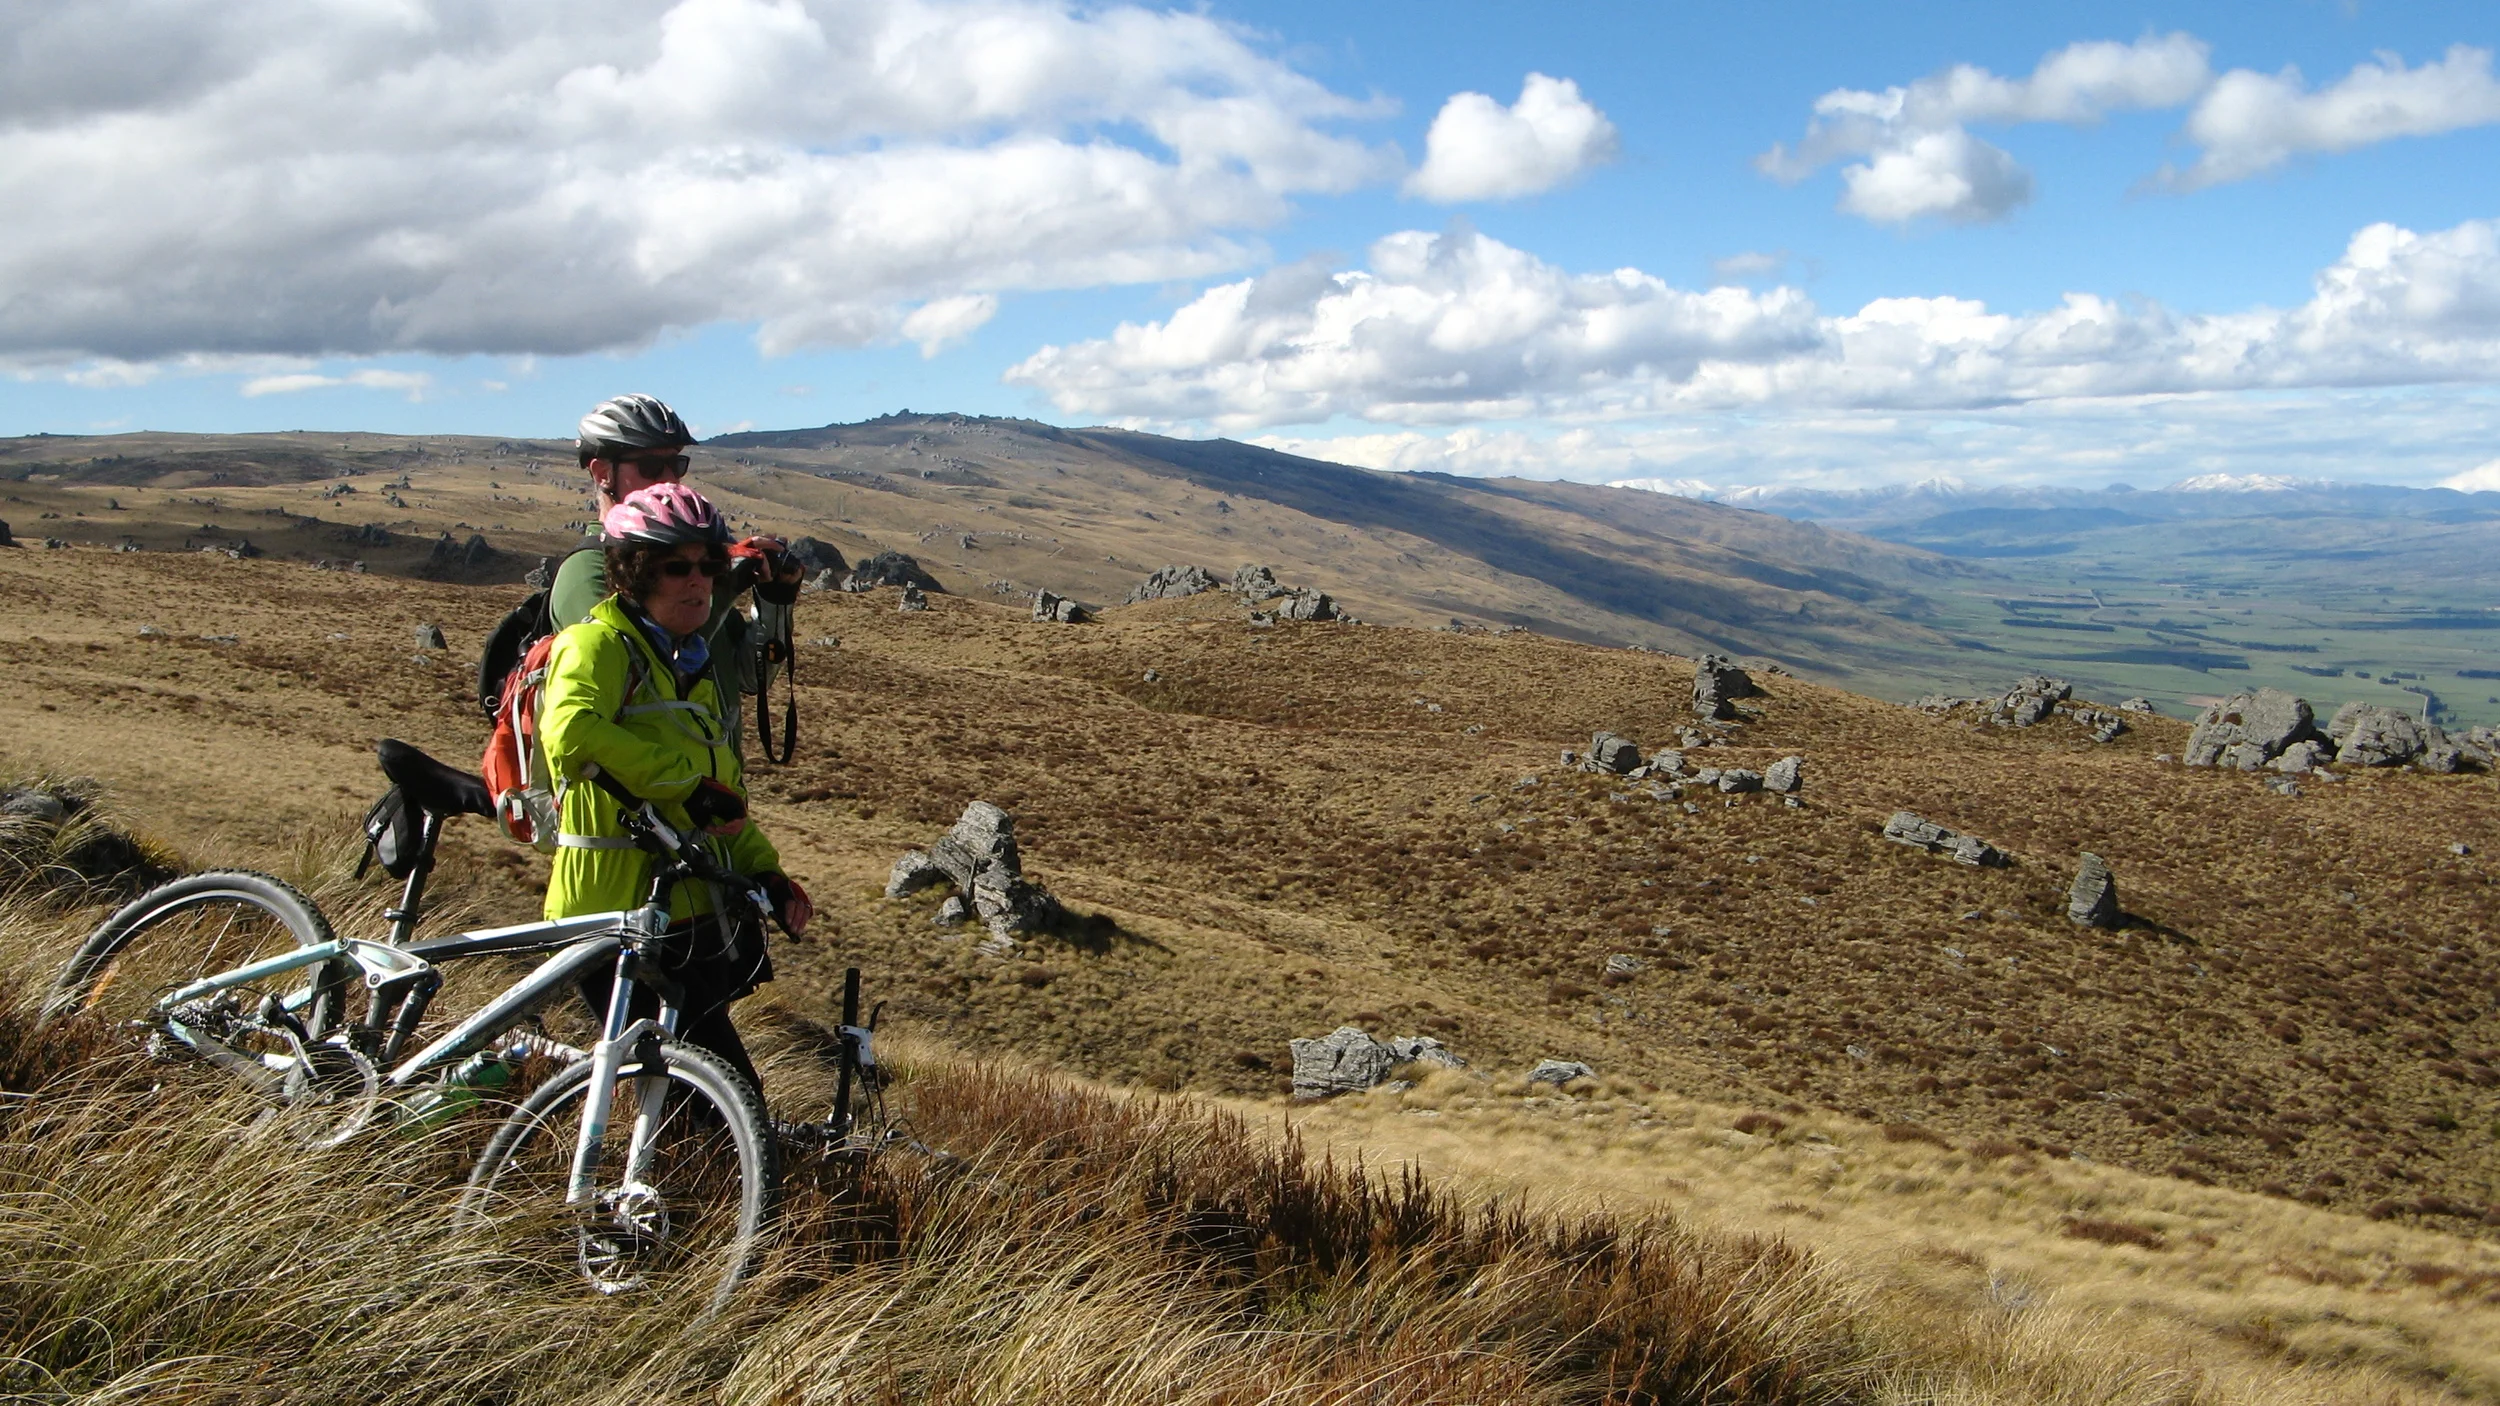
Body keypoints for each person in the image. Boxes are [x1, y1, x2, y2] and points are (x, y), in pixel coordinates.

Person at [537, 481, 812, 1096]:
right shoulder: (596, 644)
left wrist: (767, 873)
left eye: (710, 565)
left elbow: (720, 803)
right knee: (718, 1100)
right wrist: (684, 784)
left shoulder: (695, 666)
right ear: (633, 575)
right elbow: (572, 734)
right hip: (608, 918)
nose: (698, 582)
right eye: (675, 567)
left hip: (683, 917)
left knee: (693, 1099)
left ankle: (679, 1188)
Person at [551, 394, 804, 757]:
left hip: (712, 789)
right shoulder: (587, 571)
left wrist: (774, 602)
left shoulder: (689, 561)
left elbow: (749, 676)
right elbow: (644, 671)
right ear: (602, 473)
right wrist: (725, 582)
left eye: (676, 464)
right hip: (641, 800)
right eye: (652, 467)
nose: (670, 479)